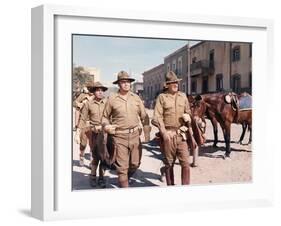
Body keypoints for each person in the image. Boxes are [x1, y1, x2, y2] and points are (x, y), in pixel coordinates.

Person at [102, 71, 150, 188]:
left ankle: (125, 179)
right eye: (123, 82)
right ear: (118, 84)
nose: (126, 84)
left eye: (128, 82)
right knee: (122, 168)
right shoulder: (112, 99)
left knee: (135, 164)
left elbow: (144, 117)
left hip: (134, 136)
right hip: (119, 137)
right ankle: (124, 186)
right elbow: (104, 117)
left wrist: (146, 134)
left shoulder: (136, 98)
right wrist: (106, 126)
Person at [152, 71, 192, 185]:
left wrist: (188, 116)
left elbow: (188, 111)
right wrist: (164, 133)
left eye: (176, 82)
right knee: (169, 164)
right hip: (168, 136)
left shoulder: (183, 96)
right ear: (167, 85)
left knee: (186, 164)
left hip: (181, 135)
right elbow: (156, 117)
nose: (175, 84)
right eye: (172, 82)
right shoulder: (162, 97)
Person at [79, 81, 108, 188]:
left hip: (106, 133)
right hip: (95, 133)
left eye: (101, 90)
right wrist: (79, 132)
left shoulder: (108, 102)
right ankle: (92, 177)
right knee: (95, 157)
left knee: (104, 157)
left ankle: (101, 178)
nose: (100, 92)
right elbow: (83, 119)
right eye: (97, 90)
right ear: (93, 92)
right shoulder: (88, 104)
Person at [73, 82, 95, 166]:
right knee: (83, 143)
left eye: (93, 88)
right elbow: (75, 104)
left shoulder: (96, 97)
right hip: (84, 123)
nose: (91, 90)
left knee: (93, 144)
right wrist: (81, 103)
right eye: (90, 88)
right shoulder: (82, 96)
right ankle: (81, 156)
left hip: (93, 123)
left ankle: (92, 160)